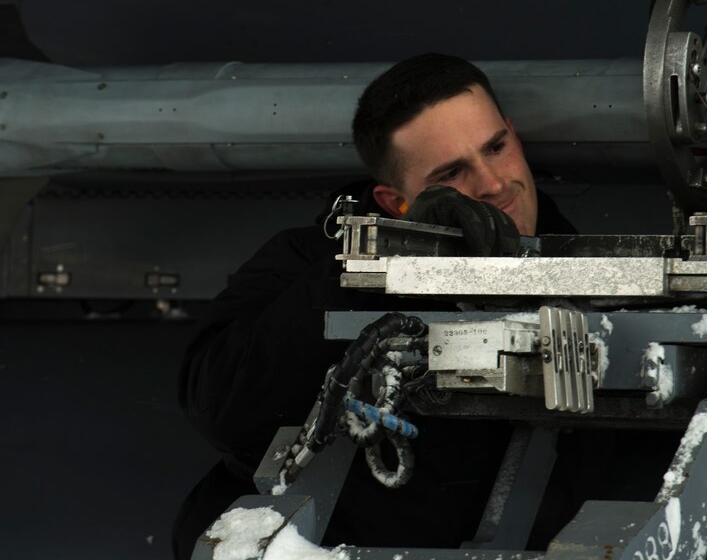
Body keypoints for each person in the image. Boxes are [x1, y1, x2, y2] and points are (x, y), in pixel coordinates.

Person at [172, 53, 577, 558]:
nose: (492, 184)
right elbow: (222, 406)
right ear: (393, 202)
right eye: (451, 174)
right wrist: (396, 256)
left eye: (496, 147)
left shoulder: (593, 272)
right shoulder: (311, 261)